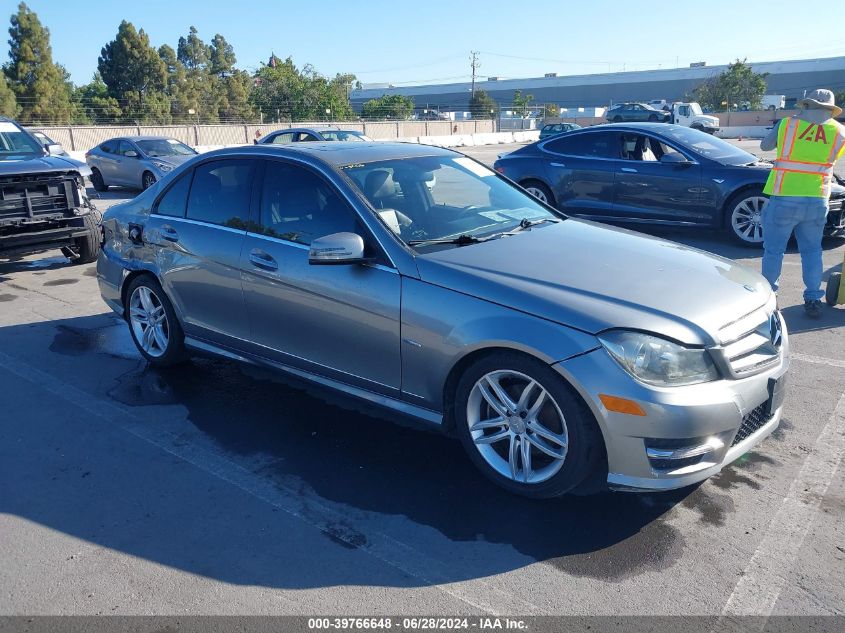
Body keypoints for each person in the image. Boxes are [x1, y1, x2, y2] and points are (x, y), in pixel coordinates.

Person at [760, 89, 845, 319]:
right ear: (830, 109)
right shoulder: (840, 131)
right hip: (817, 199)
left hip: (785, 197)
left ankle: (769, 298)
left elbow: (765, 147)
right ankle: (813, 299)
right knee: (812, 251)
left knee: (774, 251)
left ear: (807, 104)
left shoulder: (787, 125)